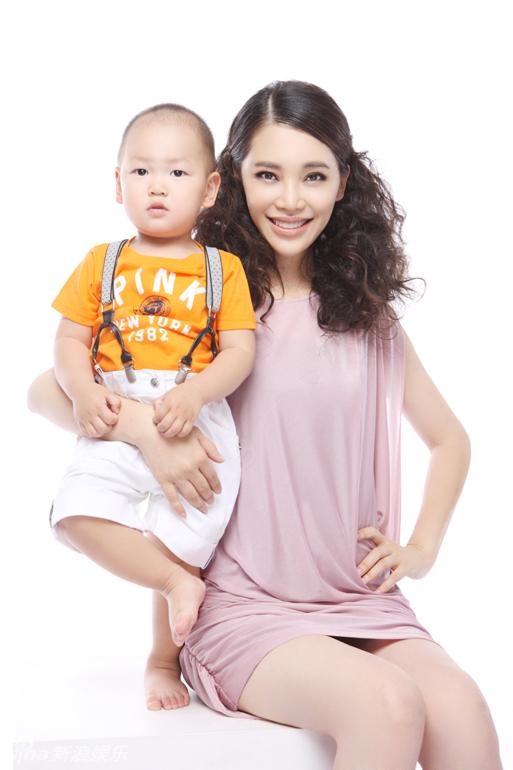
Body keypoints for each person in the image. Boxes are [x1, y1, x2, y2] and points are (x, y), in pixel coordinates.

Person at [28, 82, 503, 769]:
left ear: (342, 183)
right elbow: (45, 393)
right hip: (240, 604)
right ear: (232, 180)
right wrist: (147, 432)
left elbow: (450, 439)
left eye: (313, 176)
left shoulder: (366, 319)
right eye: (268, 175)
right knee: (386, 704)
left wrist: (421, 548)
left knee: (462, 713)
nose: (290, 199)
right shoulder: (209, 298)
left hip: (358, 598)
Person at [46, 104, 256, 659]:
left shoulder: (223, 269)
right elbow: (68, 342)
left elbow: (240, 353)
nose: (157, 186)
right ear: (119, 184)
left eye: (177, 172)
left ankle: (163, 660)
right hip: (116, 408)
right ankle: (172, 583)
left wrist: (197, 392)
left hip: (195, 415)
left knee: (186, 532)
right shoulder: (102, 261)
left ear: (210, 189)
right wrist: (83, 391)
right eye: (141, 171)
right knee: (74, 516)